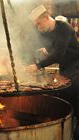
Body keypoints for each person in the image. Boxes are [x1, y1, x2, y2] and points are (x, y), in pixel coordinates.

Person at [26, 4, 79, 139]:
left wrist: (37, 66)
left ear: (46, 17)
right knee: (65, 98)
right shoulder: (47, 32)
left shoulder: (64, 28)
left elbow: (59, 54)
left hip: (76, 67)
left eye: (39, 24)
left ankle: (73, 132)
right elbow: (33, 47)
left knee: (72, 98)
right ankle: (67, 129)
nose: (38, 28)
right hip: (66, 68)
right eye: (36, 25)